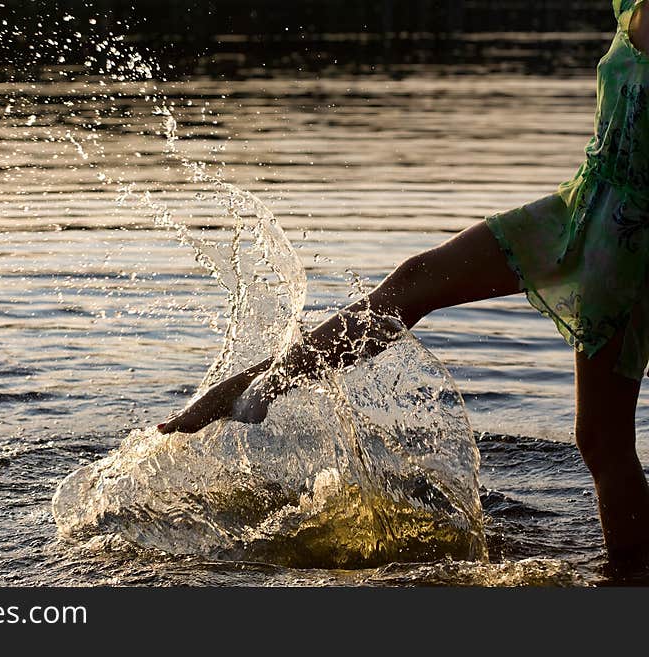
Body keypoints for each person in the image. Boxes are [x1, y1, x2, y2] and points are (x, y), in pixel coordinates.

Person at [157, 1, 649, 566]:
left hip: (632, 240)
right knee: (411, 282)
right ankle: (259, 387)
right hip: (584, 202)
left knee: (603, 441)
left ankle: (630, 586)